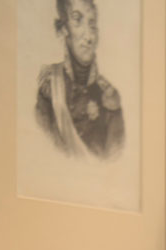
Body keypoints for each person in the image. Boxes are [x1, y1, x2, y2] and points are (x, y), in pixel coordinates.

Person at [35, 0, 124, 160]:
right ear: (62, 30)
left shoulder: (109, 99)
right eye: (77, 20)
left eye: (92, 24)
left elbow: (115, 161)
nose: (89, 37)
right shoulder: (49, 88)